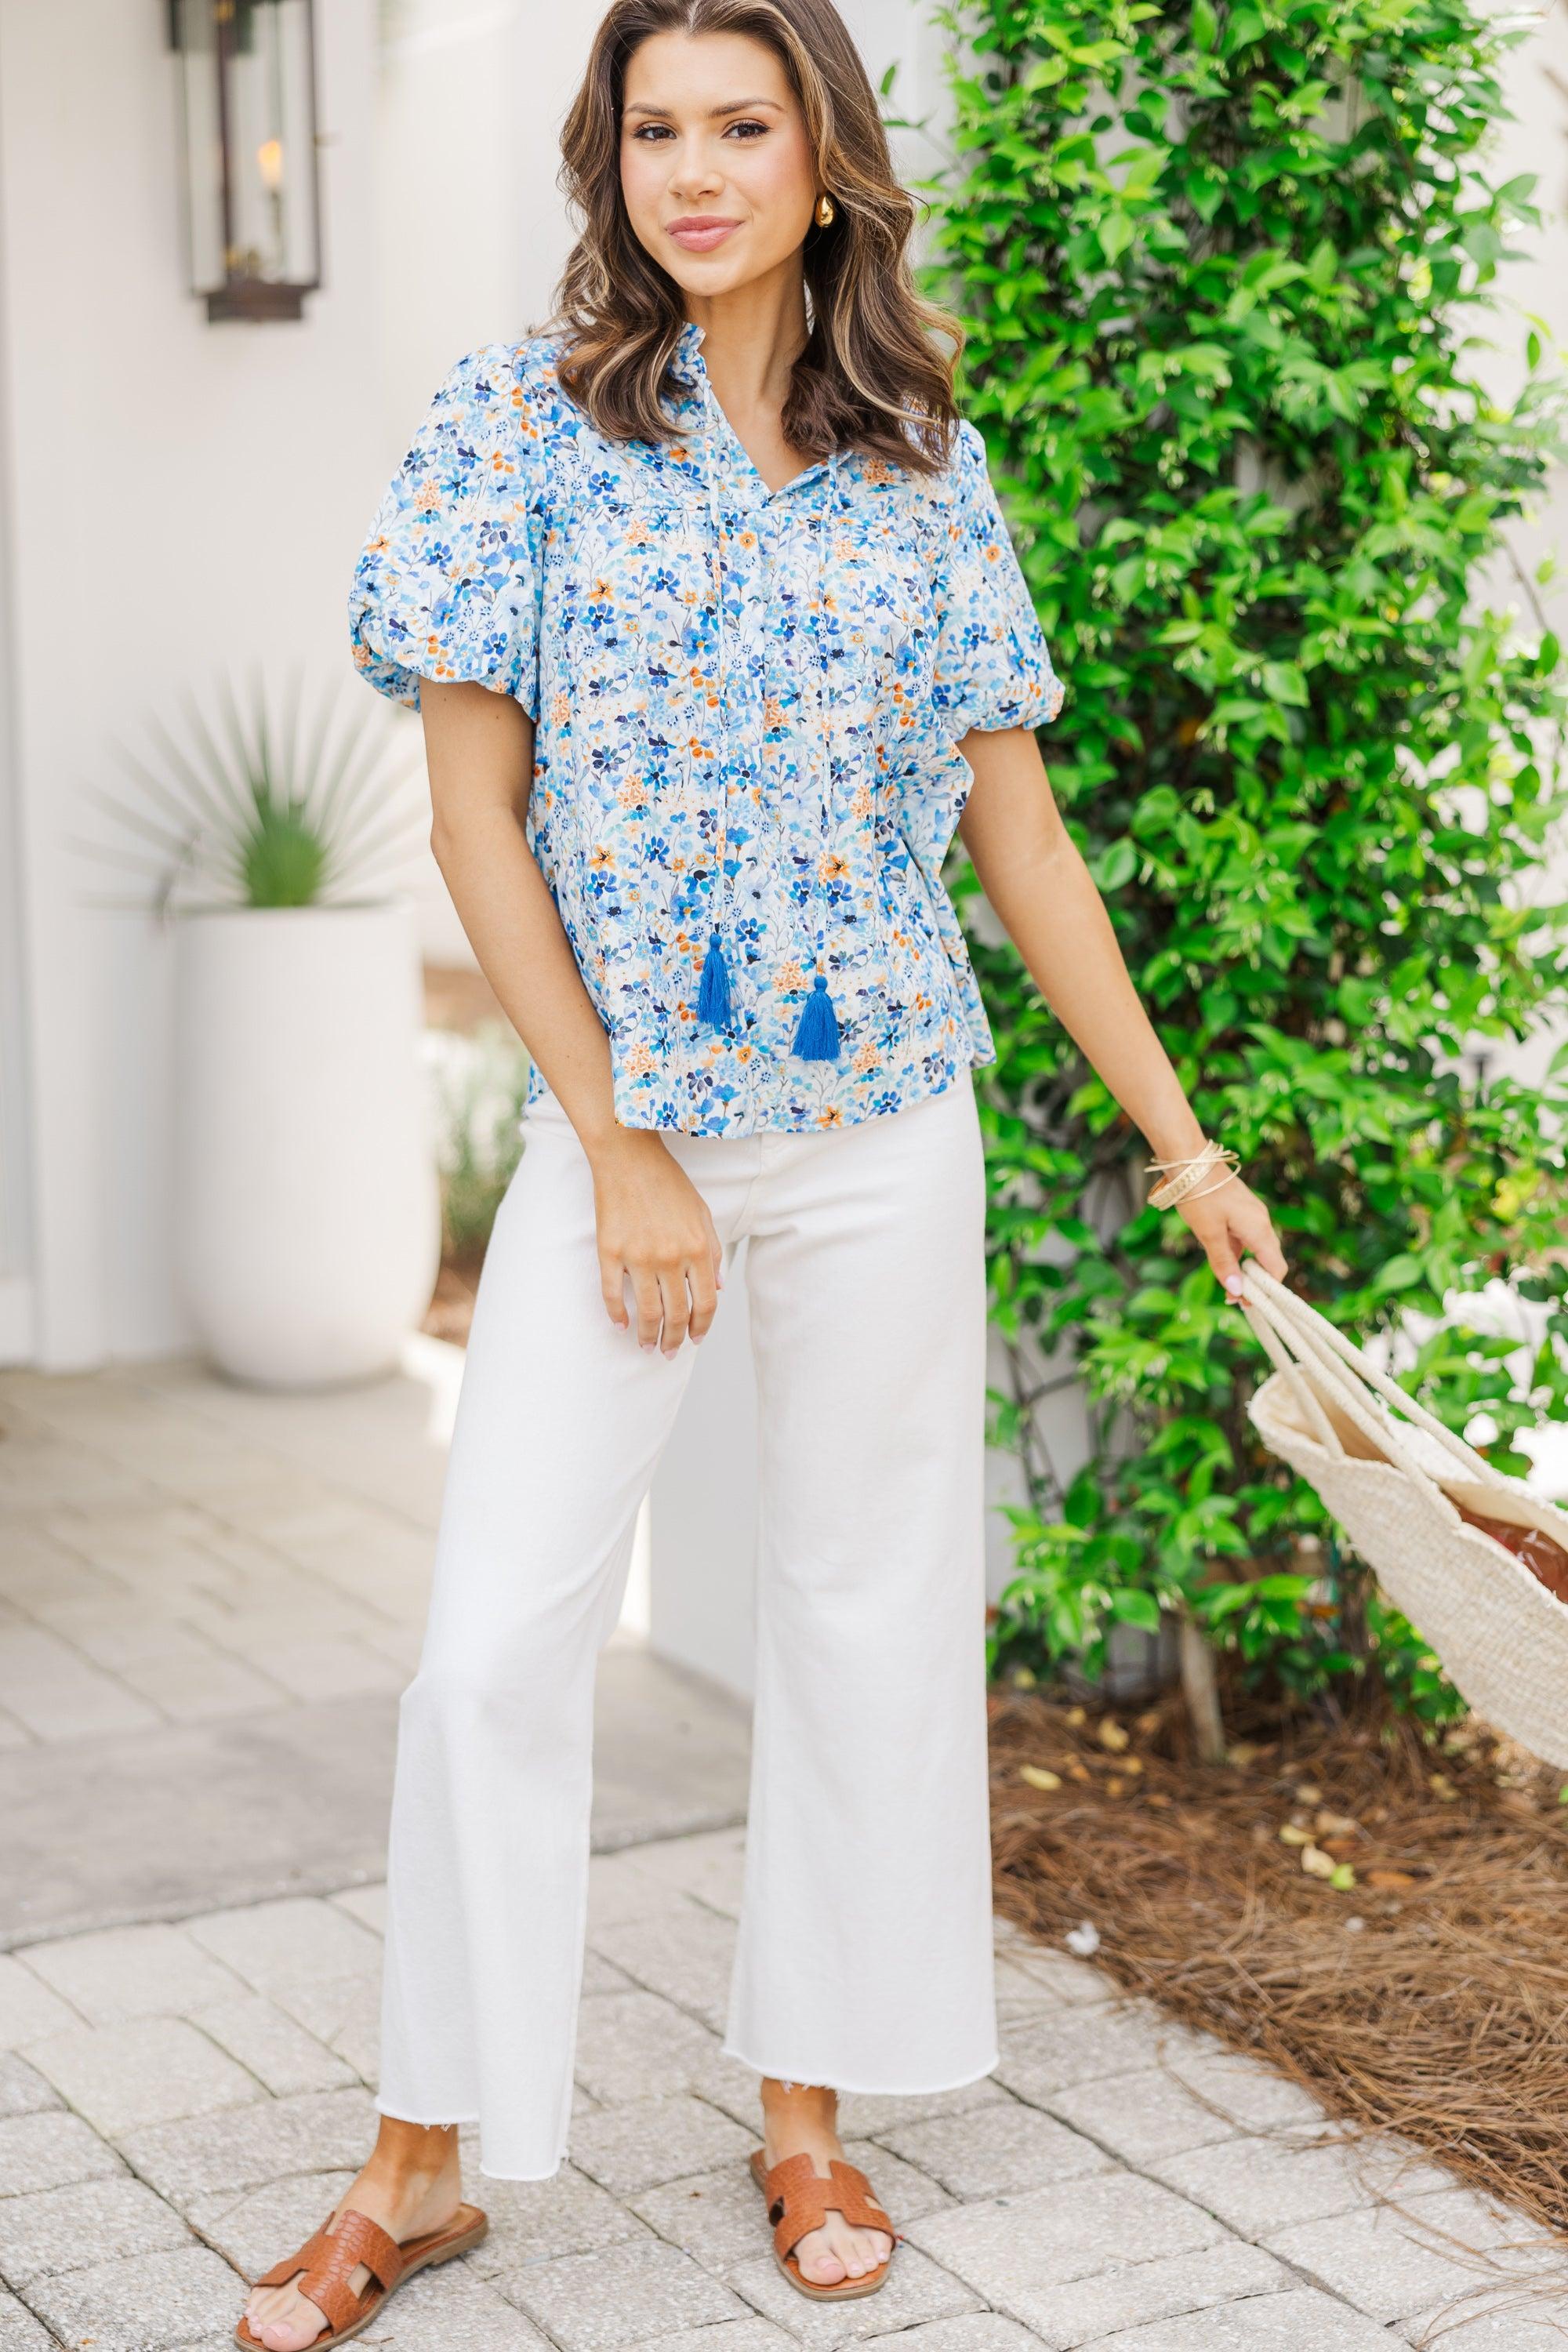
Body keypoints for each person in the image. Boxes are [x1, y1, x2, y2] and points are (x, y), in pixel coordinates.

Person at [237, 0, 1287, 2341]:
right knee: (493, 1645)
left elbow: (1019, 837)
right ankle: (420, 2168)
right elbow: (472, 823)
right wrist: (616, 1144)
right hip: (636, 1147)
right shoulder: (517, 427)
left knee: (862, 1617)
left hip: (889, 1128)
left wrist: (1181, 1142)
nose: (691, 170)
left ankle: (805, 2112)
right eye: (650, 133)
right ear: (604, 166)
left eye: (739, 125)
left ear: (826, 160)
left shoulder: (926, 456)